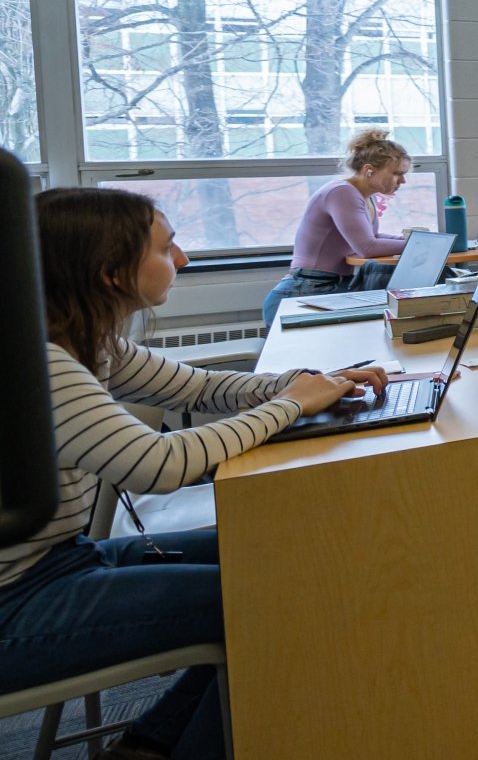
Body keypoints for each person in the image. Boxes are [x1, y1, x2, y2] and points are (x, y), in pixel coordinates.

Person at [1, 188, 386, 760]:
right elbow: (158, 465)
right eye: (166, 247)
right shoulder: (43, 362)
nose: (182, 259)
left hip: (64, 560)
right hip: (18, 604)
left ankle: (149, 743)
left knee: (284, 551)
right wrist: (291, 405)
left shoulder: (92, 340)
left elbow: (203, 389)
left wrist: (319, 381)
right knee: (284, 598)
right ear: (110, 272)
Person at [261, 129, 413, 324]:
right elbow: (367, 247)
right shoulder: (342, 192)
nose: (403, 181)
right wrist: (420, 245)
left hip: (330, 288)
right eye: (396, 173)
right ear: (369, 170)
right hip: (306, 290)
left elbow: (373, 236)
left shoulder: (366, 196)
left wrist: (411, 240)